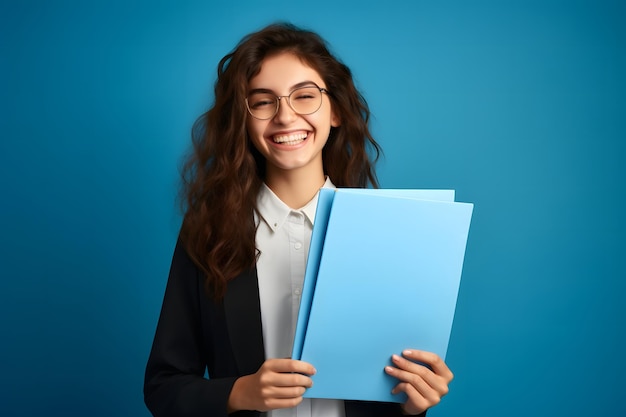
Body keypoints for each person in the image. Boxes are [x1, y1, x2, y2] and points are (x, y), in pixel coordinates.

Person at [144, 22, 453, 417]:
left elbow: (390, 389)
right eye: (262, 101)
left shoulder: (388, 235)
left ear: (336, 110)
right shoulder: (209, 233)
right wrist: (239, 392)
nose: (285, 117)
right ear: (244, 119)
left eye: (305, 96)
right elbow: (163, 386)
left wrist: (414, 403)